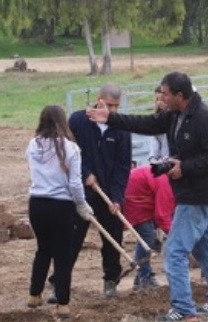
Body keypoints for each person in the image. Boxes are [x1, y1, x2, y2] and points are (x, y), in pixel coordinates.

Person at [87, 71, 208, 321]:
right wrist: (110, 118)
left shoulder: (204, 119)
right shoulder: (175, 115)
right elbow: (145, 123)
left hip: (195, 196)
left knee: (174, 252)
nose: (160, 98)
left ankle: (184, 310)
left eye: (165, 93)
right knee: (206, 249)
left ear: (180, 95)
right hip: (191, 195)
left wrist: (184, 167)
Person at [56, 83, 131, 299]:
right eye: (108, 104)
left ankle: (110, 281)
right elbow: (70, 152)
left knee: (112, 238)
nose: (112, 110)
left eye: (115, 106)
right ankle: (58, 282)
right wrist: (85, 173)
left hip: (109, 191)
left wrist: (116, 197)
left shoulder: (121, 128)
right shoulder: (78, 121)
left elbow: (122, 165)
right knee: (72, 237)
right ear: (98, 99)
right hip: (82, 191)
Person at [25, 105, 94, 319]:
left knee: (43, 249)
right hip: (61, 205)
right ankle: (62, 303)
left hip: (37, 203)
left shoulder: (33, 145)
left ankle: (34, 294)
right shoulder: (71, 148)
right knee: (62, 254)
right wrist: (82, 205)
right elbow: (75, 183)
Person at [122, 164, 175, 290]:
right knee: (147, 238)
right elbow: (162, 216)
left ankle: (141, 277)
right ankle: (144, 278)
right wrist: (175, 236)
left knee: (148, 238)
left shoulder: (166, 176)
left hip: (142, 195)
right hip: (133, 200)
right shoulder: (166, 183)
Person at [148, 86, 170, 159]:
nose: (159, 103)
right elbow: (154, 138)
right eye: (157, 99)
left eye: (162, 100)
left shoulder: (174, 117)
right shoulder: (157, 118)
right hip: (161, 160)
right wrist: (153, 156)